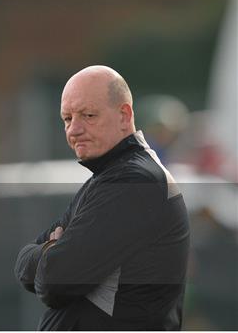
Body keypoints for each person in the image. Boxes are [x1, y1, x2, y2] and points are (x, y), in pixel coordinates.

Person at [14, 65, 190, 330]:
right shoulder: (109, 178)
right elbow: (23, 267)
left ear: (124, 115)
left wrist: (50, 254)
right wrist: (51, 254)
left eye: (88, 115)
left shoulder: (133, 181)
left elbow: (56, 281)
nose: (74, 130)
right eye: (67, 119)